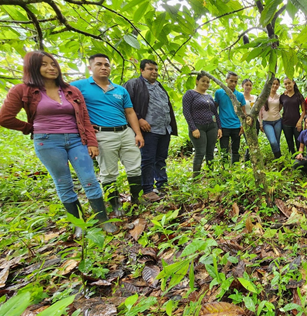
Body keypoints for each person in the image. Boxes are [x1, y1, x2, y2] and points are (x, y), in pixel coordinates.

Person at [0, 51, 116, 235]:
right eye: (44, 64)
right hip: (48, 142)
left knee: (90, 180)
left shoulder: (71, 90)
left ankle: (103, 220)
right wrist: (31, 127)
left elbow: (85, 117)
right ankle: (79, 224)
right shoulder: (22, 90)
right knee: (63, 183)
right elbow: (5, 118)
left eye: (53, 64)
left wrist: (92, 142)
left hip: (77, 140)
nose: (51, 68)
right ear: (33, 68)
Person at [71, 54, 146, 214]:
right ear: (90, 68)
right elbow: (65, 106)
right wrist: (84, 126)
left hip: (125, 132)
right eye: (99, 64)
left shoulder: (119, 89)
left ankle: (136, 200)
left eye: (107, 65)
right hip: (102, 134)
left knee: (134, 168)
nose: (104, 67)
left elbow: (130, 112)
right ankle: (115, 205)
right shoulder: (79, 87)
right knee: (109, 172)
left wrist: (137, 134)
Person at [123, 59, 177, 202]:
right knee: (147, 159)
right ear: (142, 70)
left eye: (156, 69)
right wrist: (139, 119)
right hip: (149, 130)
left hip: (164, 129)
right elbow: (126, 106)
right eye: (150, 69)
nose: (154, 72)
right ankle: (147, 189)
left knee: (161, 158)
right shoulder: (133, 84)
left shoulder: (159, 86)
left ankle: (162, 184)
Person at [183, 73, 222, 175]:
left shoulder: (209, 96)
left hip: (212, 127)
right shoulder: (190, 94)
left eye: (208, 82)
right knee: (200, 152)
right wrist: (193, 128)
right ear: (197, 81)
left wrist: (219, 127)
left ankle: (210, 175)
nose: (206, 83)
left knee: (210, 152)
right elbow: (186, 112)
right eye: (203, 81)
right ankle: (196, 178)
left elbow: (215, 112)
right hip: (198, 127)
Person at [214, 72, 246, 164]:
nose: (233, 84)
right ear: (226, 80)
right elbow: (214, 109)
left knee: (235, 149)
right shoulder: (219, 93)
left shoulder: (239, 95)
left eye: (235, 82)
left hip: (236, 126)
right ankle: (224, 169)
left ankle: (235, 169)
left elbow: (243, 112)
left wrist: (242, 125)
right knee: (224, 149)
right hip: (223, 126)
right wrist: (216, 125)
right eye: (231, 81)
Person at [280, 77, 306, 154]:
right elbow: (278, 109)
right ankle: (292, 158)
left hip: (297, 123)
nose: (288, 85)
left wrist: (300, 121)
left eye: (289, 83)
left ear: (293, 83)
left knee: (299, 142)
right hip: (286, 123)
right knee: (289, 142)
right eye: (285, 84)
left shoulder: (299, 96)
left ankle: (300, 157)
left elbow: (304, 110)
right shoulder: (282, 96)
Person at [260, 78, 283, 159]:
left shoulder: (279, 96)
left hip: (277, 121)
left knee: (277, 141)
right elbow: (260, 110)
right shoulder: (264, 95)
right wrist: (260, 123)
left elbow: (280, 107)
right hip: (267, 122)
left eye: (277, 84)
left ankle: (278, 161)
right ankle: (279, 157)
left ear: (279, 85)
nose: (275, 85)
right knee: (273, 142)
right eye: (273, 83)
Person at [242, 79, 259, 162]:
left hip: (255, 122)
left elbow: (259, 110)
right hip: (246, 122)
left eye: (250, 85)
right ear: (243, 86)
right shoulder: (240, 96)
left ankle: (254, 159)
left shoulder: (255, 97)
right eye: (246, 85)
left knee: (254, 141)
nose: (248, 87)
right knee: (248, 141)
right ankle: (247, 160)